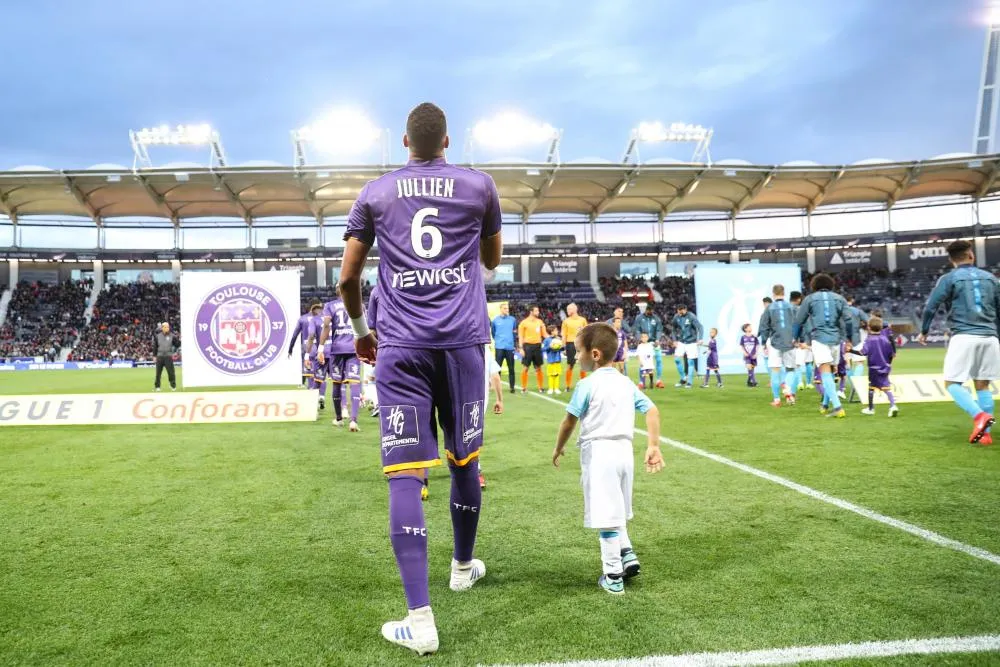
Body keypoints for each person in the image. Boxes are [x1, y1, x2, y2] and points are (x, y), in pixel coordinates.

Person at [338, 102, 503, 655]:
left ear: (404, 141)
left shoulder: (375, 192)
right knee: (465, 459)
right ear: (447, 141)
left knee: (405, 475)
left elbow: (347, 279)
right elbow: (493, 261)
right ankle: (461, 567)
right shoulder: (480, 186)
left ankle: (420, 619)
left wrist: (363, 331)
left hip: (400, 348)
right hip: (461, 345)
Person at [552, 322, 663, 595]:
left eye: (579, 351)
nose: (576, 356)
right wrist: (653, 445)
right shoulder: (626, 383)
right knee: (617, 508)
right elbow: (652, 410)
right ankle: (627, 554)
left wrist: (558, 447)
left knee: (605, 515)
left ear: (596, 354)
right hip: (625, 452)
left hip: (599, 453)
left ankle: (613, 575)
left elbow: (568, 421)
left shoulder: (587, 384)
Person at [919, 239, 1000, 444]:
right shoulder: (991, 278)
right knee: (982, 385)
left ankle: (979, 416)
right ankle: (986, 435)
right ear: (971, 255)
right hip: (990, 337)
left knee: (952, 383)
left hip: (964, 335)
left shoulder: (949, 278)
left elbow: (931, 306)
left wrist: (924, 331)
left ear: (951, 259)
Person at [794, 273, 855, 419]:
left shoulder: (810, 299)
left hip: (820, 339)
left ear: (814, 286)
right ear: (831, 285)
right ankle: (825, 404)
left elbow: (799, 321)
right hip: (836, 339)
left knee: (825, 373)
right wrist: (849, 339)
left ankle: (838, 407)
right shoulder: (839, 298)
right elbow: (849, 320)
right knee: (831, 372)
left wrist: (794, 337)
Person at [317, 285, 362, 432]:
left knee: (336, 383)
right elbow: (363, 326)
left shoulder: (330, 306)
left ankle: (339, 419)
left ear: (337, 292)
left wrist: (321, 348)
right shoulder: (358, 304)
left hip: (337, 349)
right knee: (354, 383)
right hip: (353, 348)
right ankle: (353, 421)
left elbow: (326, 326)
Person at [759, 285, 798, 407]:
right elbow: (799, 323)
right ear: (784, 293)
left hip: (775, 343)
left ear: (773, 294)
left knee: (775, 371)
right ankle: (787, 385)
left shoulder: (769, 308)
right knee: (790, 370)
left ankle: (776, 400)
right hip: (790, 342)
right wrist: (798, 338)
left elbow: (764, 326)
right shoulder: (792, 307)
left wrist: (763, 342)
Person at [853, 316, 899, 418]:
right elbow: (891, 354)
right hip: (885, 367)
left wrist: (850, 351)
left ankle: (871, 408)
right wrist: (888, 364)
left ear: (869, 327)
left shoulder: (869, 340)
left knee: (871, 387)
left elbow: (862, 353)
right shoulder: (885, 339)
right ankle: (893, 405)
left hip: (874, 368)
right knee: (886, 387)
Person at [632, 304, 665, 387]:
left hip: (654, 342)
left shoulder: (656, 318)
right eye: (648, 310)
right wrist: (640, 339)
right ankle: (641, 382)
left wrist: (657, 339)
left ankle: (658, 381)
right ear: (645, 310)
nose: (650, 312)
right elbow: (637, 329)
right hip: (644, 342)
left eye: (651, 310)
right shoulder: (639, 318)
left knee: (659, 360)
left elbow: (659, 329)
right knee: (642, 362)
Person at [671, 304, 703, 389]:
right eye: (678, 311)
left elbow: (700, 327)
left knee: (690, 362)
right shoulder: (676, 317)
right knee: (677, 359)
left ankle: (689, 382)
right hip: (681, 342)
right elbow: (673, 329)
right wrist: (674, 340)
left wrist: (700, 338)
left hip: (691, 342)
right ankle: (683, 378)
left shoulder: (691, 316)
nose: (679, 313)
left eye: (680, 311)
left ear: (685, 309)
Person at [518, 305, 546, 394]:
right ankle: (523, 387)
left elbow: (545, 334)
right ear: (531, 312)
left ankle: (541, 387)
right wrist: (521, 348)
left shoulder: (540, 322)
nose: (538, 312)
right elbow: (520, 336)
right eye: (536, 311)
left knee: (539, 368)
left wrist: (554, 339)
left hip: (538, 346)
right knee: (526, 367)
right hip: (527, 347)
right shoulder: (523, 323)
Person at [491, 303, 517, 394]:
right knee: (497, 368)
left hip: (509, 347)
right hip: (499, 347)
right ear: (501, 309)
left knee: (511, 368)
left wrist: (513, 343)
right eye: (505, 308)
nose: (507, 310)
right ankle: (496, 386)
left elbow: (514, 332)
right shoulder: (495, 321)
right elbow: (493, 333)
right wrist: (499, 340)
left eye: (507, 308)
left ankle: (512, 387)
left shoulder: (513, 320)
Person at [561, 302, 588, 390]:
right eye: (567, 309)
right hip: (570, 344)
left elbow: (587, 333)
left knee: (582, 365)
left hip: (581, 344)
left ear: (575, 309)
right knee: (570, 365)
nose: (567, 311)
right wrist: (564, 347)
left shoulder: (582, 320)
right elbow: (564, 335)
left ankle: (583, 385)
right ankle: (568, 386)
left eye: (569, 309)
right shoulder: (566, 321)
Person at [153, 322, 179, 392]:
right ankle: (157, 386)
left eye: (168, 327)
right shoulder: (157, 336)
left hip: (168, 356)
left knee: (171, 372)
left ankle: (173, 386)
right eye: (165, 327)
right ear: (162, 328)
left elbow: (177, 345)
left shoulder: (172, 336)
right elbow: (155, 347)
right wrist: (154, 356)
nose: (167, 328)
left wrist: (178, 340)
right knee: (158, 373)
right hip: (160, 356)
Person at [542, 325, 564, 395]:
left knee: (557, 374)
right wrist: (550, 346)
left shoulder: (558, 339)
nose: (557, 331)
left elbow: (562, 348)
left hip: (557, 359)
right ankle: (551, 388)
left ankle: (556, 388)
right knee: (551, 375)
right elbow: (543, 349)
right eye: (556, 330)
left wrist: (561, 346)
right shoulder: (546, 340)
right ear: (552, 332)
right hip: (551, 360)